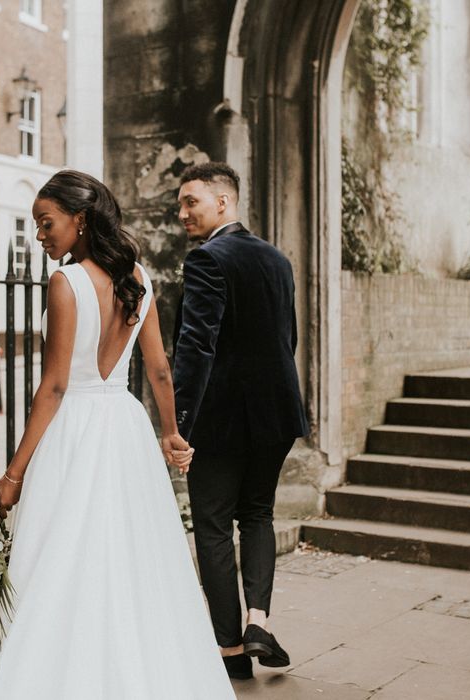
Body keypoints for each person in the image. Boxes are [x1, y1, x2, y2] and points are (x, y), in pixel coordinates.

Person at [0, 170, 236, 699]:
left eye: (47, 223)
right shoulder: (139, 278)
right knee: (131, 559)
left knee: (58, 559)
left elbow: (56, 386)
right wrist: (171, 434)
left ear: (79, 219)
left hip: (77, 431)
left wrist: (14, 472)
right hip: (125, 427)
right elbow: (158, 369)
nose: (40, 235)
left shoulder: (66, 283)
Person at [173, 162, 309, 680]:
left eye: (192, 202)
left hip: (222, 419)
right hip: (277, 412)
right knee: (256, 515)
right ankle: (259, 619)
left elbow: (196, 347)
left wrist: (180, 422)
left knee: (211, 524)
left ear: (222, 203)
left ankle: (230, 652)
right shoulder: (278, 260)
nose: (182, 213)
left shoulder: (207, 259)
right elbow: (287, 339)